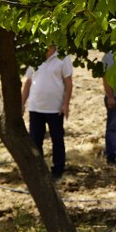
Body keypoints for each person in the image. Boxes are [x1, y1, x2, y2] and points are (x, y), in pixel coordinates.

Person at [21, 45, 74, 178]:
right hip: (35, 106)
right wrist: (22, 103)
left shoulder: (63, 56)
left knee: (57, 139)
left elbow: (68, 82)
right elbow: (28, 81)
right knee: (35, 140)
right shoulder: (34, 54)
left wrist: (65, 104)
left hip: (54, 107)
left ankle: (58, 169)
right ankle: (39, 170)